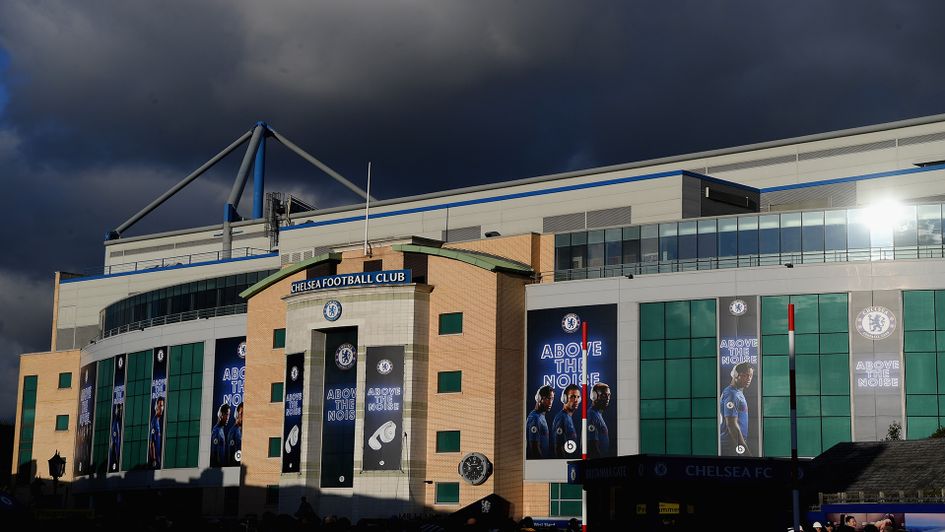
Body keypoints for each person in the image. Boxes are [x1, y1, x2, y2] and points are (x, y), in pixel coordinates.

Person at [719, 362, 754, 456]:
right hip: (731, 445)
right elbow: (731, 425)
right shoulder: (732, 394)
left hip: (735, 444)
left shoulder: (737, 392)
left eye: (750, 376)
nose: (749, 379)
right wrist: (745, 451)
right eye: (745, 375)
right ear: (735, 375)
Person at [553, 384, 581, 458]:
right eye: (572, 397)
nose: (576, 400)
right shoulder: (562, 417)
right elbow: (558, 447)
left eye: (578, 397)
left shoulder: (568, 417)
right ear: (564, 399)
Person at [526, 385, 554, 459]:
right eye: (548, 398)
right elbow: (534, 448)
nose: (550, 402)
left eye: (552, 399)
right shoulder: (535, 418)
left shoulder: (541, 416)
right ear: (539, 398)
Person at [587, 382, 611, 458]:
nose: (607, 398)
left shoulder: (598, 414)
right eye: (604, 395)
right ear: (594, 396)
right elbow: (592, 446)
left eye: (609, 395)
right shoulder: (592, 415)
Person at [148, 396, 165, 469]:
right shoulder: (154, 422)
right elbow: (151, 443)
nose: (161, 408)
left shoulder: (158, 421)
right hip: (156, 461)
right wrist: (154, 460)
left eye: (162, 406)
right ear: (156, 407)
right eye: (160, 405)